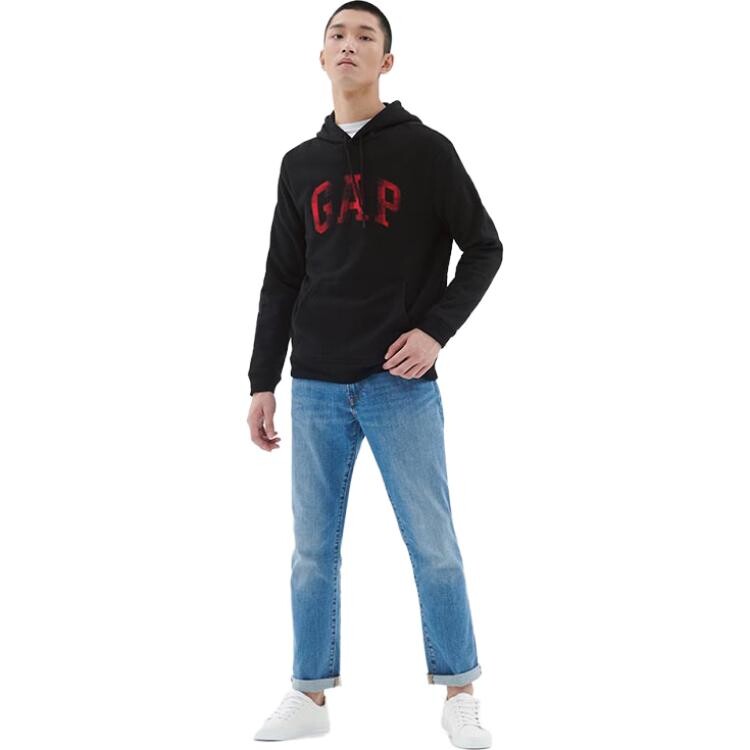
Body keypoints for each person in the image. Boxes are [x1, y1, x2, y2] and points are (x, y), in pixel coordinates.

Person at [247, 3, 502, 747]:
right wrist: (262, 381)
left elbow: (484, 247)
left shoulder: (426, 150)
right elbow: (281, 277)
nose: (349, 45)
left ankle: (459, 691)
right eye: (338, 35)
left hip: (400, 385)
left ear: (386, 62)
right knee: (311, 552)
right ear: (322, 56)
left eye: (365, 36)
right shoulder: (300, 164)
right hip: (316, 385)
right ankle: (309, 694)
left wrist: (435, 332)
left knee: (433, 544)